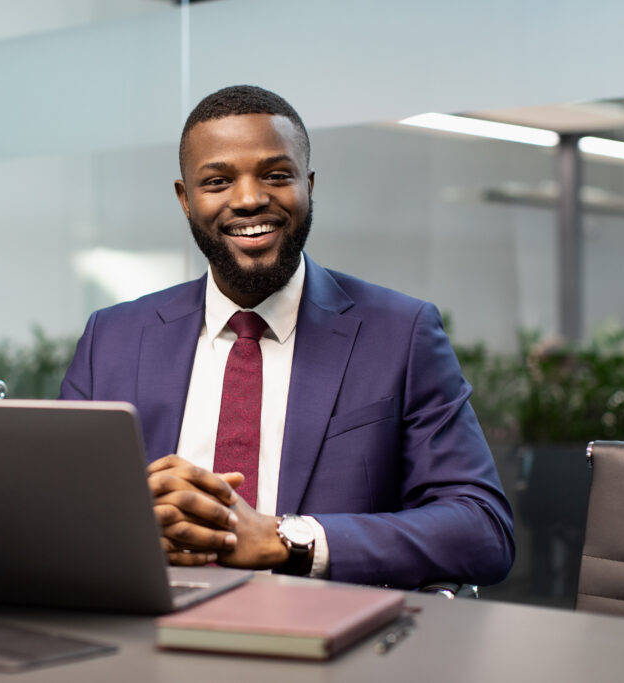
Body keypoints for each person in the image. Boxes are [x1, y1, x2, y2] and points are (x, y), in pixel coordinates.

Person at [59, 85, 514, 589]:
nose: (250, 199)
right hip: (152, 641)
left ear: (308, 185)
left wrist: (287, 541)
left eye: (276, 176)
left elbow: (482, 528)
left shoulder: (400, 334)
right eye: (217, 181)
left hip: (323, 645)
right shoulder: (113, 339)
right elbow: (53, 516)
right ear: (185, 200)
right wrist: (127, 520)